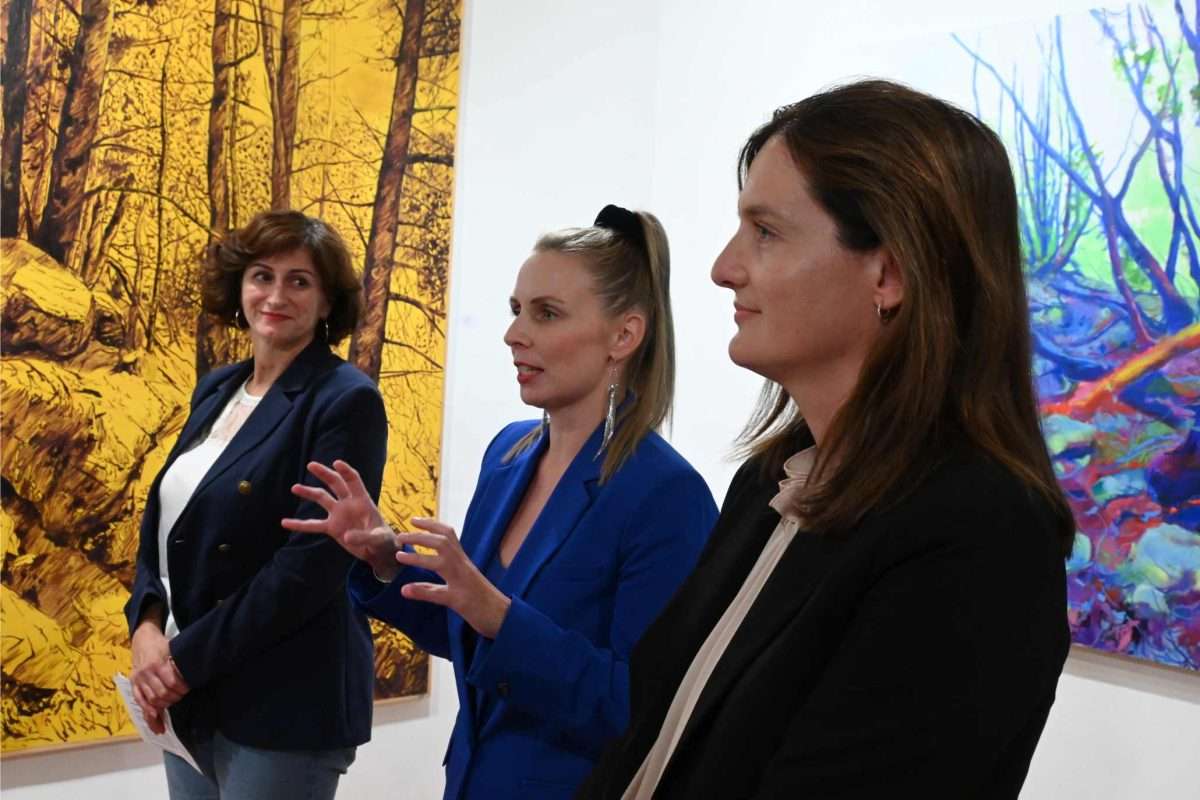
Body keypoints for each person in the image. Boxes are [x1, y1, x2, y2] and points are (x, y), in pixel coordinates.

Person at [577, 80, 1075, 799]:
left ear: (889, 273)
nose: (724, 268)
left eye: (766, 232)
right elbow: (649, 737)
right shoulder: (772, 480)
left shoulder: (979, 536)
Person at [285, 205, 718, 800]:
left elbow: (642, 708)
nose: (515, 334)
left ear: (624, 335)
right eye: (516, 310)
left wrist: (499, 617)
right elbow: (471, 634)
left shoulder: (667, 495)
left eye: (547, 313)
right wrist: (386, 560)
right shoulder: (508, 454)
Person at [124, 210, 386, 799]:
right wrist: (145, 624)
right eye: (263, 276)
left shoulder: (346, 400)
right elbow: (165, 527)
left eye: (300, 281)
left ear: (326, 302)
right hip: (192, 694)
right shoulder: (217, 388)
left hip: (281, 702)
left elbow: (307, 569)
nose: (276, 295)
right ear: (240, 285)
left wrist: (180, 662)